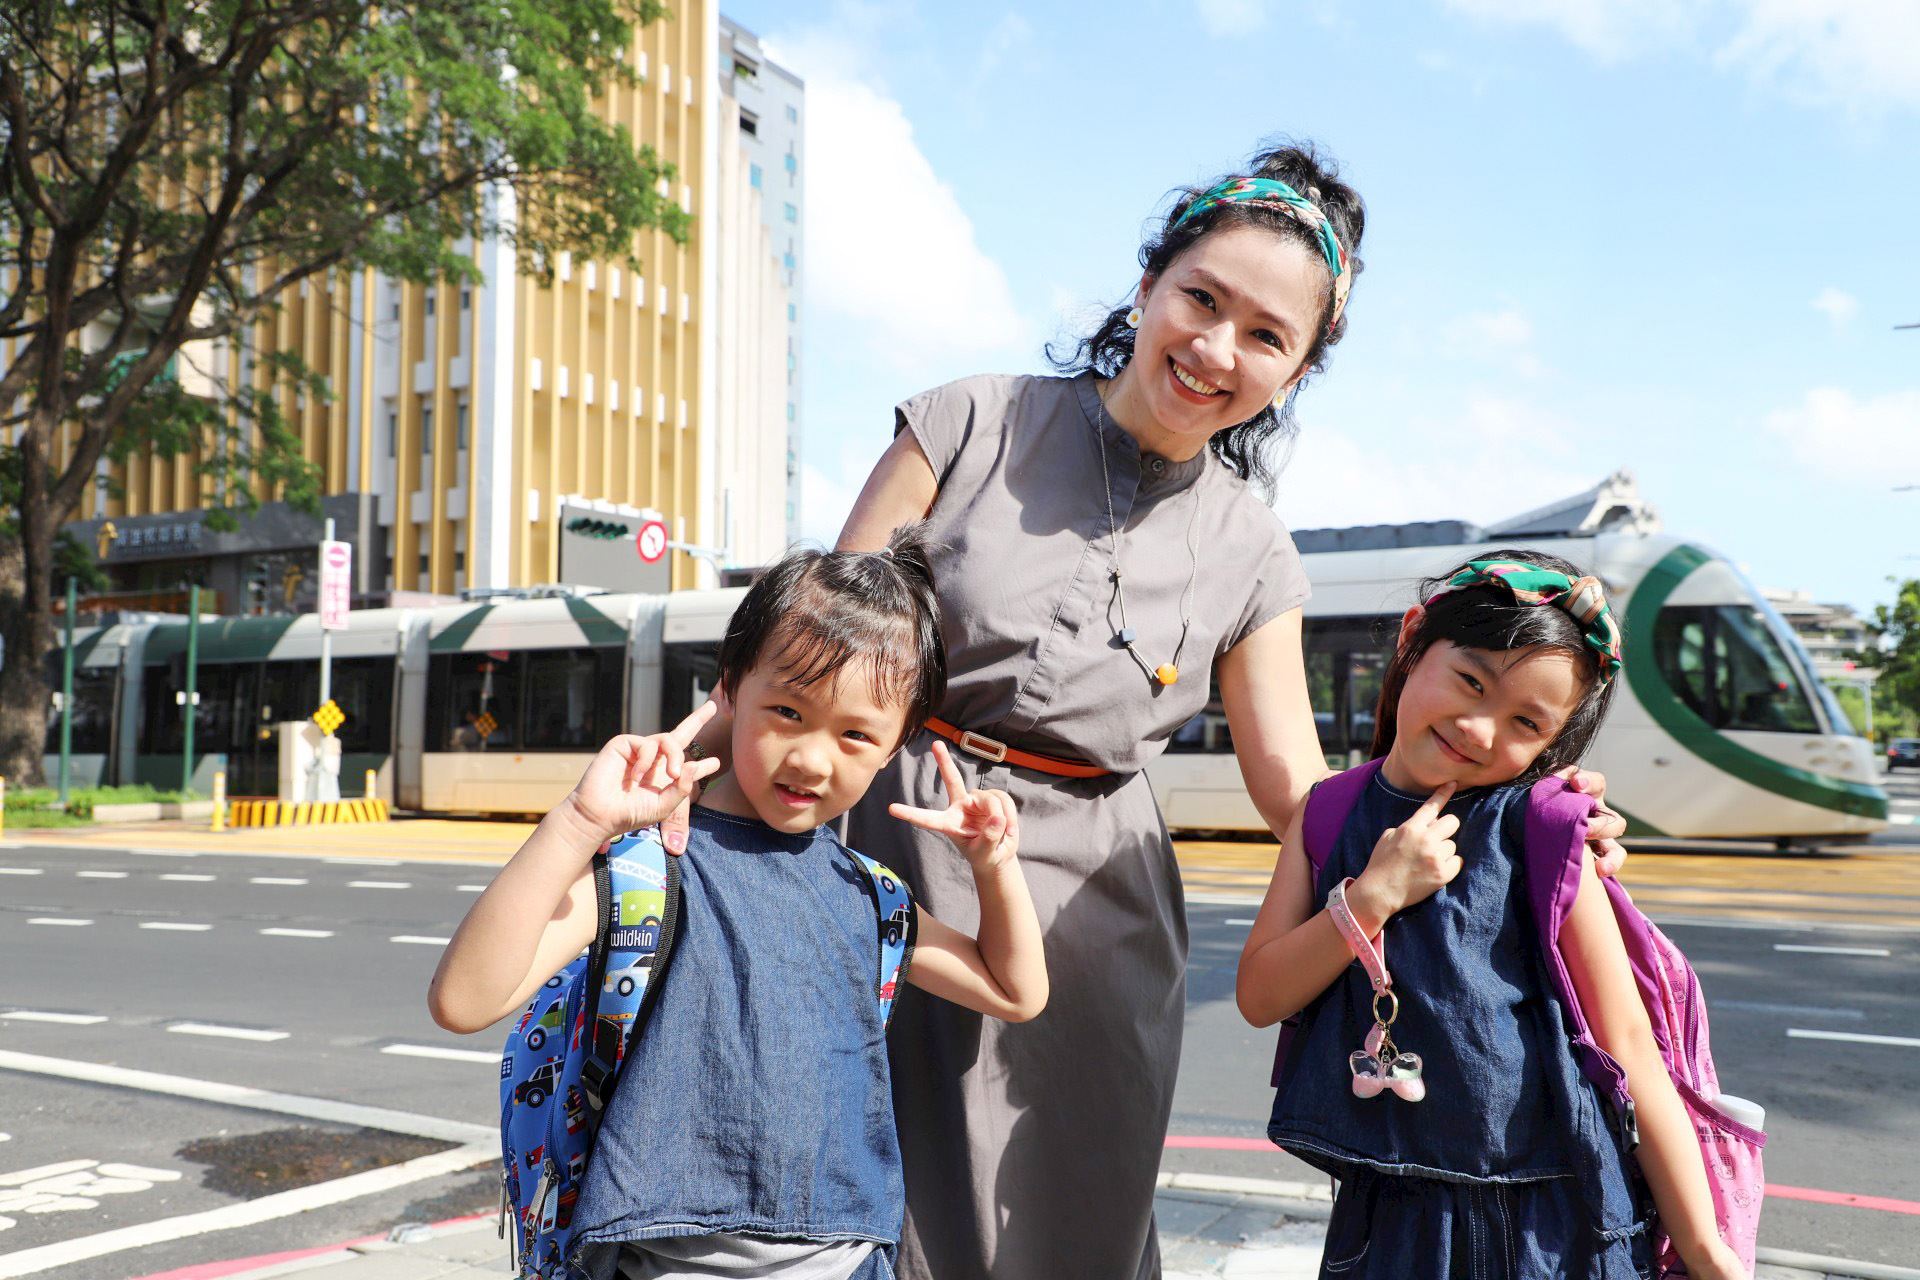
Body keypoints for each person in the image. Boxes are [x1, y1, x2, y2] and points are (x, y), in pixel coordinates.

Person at [672, 139, 1626, 1279]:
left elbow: (1299, 791)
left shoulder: (1257, 550)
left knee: (1070, 1214)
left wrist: (1529, 817)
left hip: (1100, 917)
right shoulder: (968, 421)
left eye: (1268, 336)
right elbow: (814, 646)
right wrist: (679, 787)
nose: (1217, 350)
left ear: (1301, 370)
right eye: (1202, 299)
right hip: (888, 844)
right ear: (1147, 287)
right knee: (854, 1188)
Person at [427, 528, 1048, 1280]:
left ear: (896, 748)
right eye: (787, 711)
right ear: (729, 687)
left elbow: (1015, 992)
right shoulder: (647, 870)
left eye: (856, 734)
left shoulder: (870, 897)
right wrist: (580, 824)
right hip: (664, 1257)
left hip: (847, 1259)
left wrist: (994, 867)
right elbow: (465, 1000)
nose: (813, 758)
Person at [1237, 553, 1744, 1280]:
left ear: (1553, 743)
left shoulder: (1542, 825)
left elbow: (1628, 1043)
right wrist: (1373, 895)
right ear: (1413, 640)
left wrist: (1703, 1246)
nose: (1479, 729)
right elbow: (1260, 995)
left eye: (1525, 722)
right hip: (1390, 1214)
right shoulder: (1328, 812)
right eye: (1471, 681)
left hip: (1559, 1215)